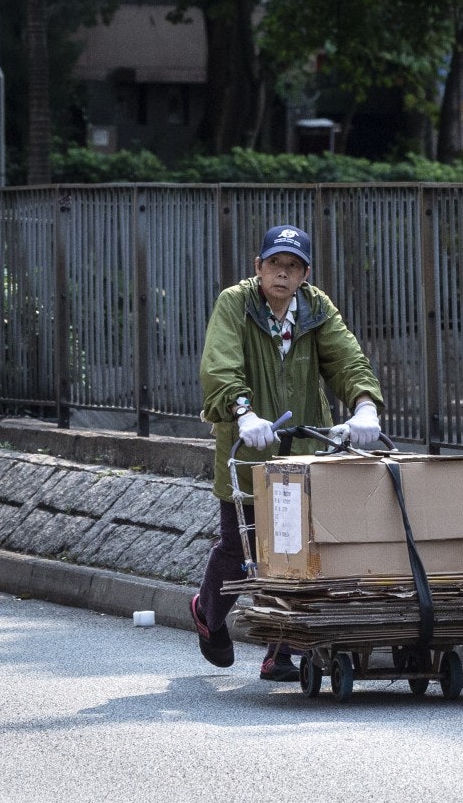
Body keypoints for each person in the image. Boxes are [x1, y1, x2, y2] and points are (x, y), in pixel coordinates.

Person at [190, 223, 384, 680]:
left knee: (301, 549)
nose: (282, 273)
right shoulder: (235, 303)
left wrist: (364, 405)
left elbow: (347, 359)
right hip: (250, 441)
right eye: (274, 264)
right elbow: (219, 363)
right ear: (257, 267)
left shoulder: (315, 308)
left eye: (292, 266)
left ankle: (283, 651)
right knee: (243, 547)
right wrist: (243, 411)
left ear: (305, 274)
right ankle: (207, 613)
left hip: (304, 446)